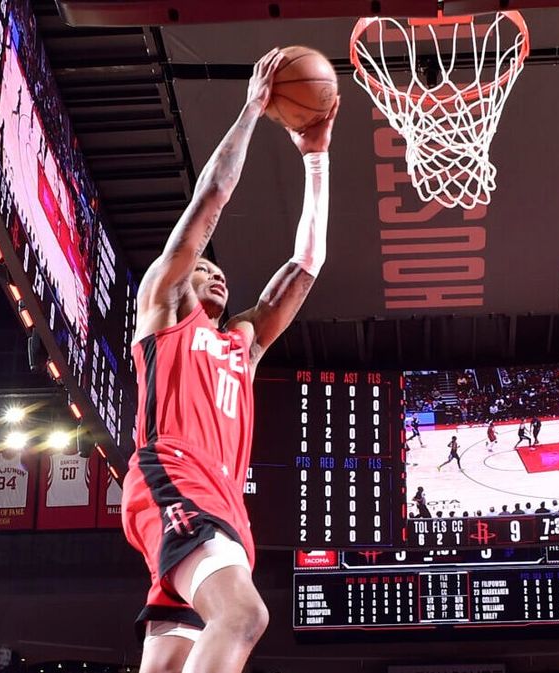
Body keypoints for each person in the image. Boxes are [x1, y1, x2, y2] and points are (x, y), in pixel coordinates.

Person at [118, 49, 338, 673]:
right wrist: (252, 109)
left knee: (174, 661)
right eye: (204, 267)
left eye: (220, 271)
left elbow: (306, 266)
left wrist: (316, 158)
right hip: (172, 476)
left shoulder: (244, 342)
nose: (215, 274)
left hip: (223, 503)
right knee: (243, 617)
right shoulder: (164, 309)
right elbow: (211, 198)